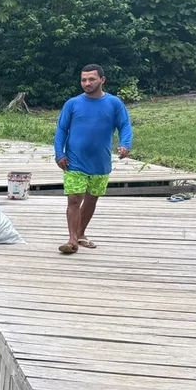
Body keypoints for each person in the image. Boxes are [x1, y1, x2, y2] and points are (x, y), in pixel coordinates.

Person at [53, 65, 132, 255]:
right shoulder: (72, 104)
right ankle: (71, 240)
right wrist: (59, 153)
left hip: (100, 163)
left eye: (91, 79)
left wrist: (125, 145)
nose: (87, 83)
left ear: (102, 80)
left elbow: (125, 126)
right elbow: (61, 129)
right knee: (73, 199)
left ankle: (80, 234)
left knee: (91, 199)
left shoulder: (114, 103)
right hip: (74, 161)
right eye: (83, 80)